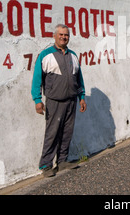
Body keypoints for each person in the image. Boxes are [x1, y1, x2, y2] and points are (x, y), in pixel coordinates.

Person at [31, 24, 87, 177]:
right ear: (54, 36)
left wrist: (81, 97)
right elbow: (37, 80)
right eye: (61, 35)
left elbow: (79, 78)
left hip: (71, 101)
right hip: (54, 102)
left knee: (67, 132)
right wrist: (37, 99)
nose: (64, 37)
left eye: (66, 35)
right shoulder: (45, 55)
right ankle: (45, 165)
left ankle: (62, 161)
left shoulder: (73, 56)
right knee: (52, 133)